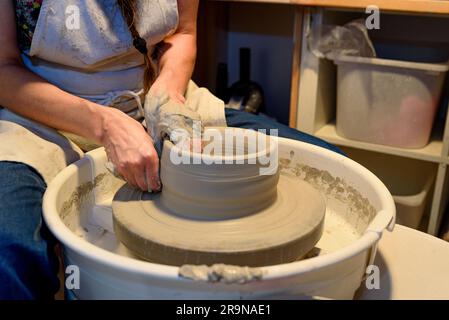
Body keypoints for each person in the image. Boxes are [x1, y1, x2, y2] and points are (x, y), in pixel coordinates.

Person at [0, 0, 340, 299]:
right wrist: (103, 124)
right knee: (9, 253)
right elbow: (4, 69)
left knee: (333, 172)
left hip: (154, 100)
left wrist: (166, 93)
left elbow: (182, 34)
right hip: (43, 117)